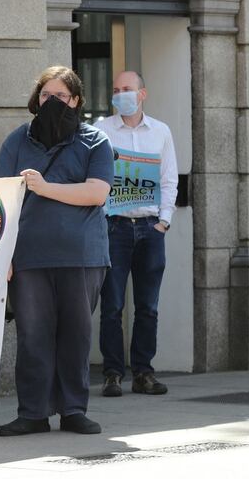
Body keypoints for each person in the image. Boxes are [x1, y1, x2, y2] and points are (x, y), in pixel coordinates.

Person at [0, 66, 112, 437]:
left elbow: (96, 192)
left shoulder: (95, 142)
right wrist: (3, 255)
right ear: (36, 99)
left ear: (75, 100)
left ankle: (74, 409)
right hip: (29, 257)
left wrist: (44, 188)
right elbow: (0, 196)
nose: (52, 103)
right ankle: (33, 412)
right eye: (46, 96)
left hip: (82, 255)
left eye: (60, 97)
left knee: (75, 335)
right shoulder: (17, 141)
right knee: (33, 335)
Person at [95, 70, 178, 397]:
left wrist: (164, 222)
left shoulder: (161, 132)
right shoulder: (100, 131)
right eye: (116, 90)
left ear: (142, 94)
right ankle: (113, 373)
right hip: (114, 227)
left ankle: (143, 372)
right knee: (112, 305)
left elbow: (169, 178)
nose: (120, 95)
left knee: (148, 306)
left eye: (127, 89)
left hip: (149, 227)